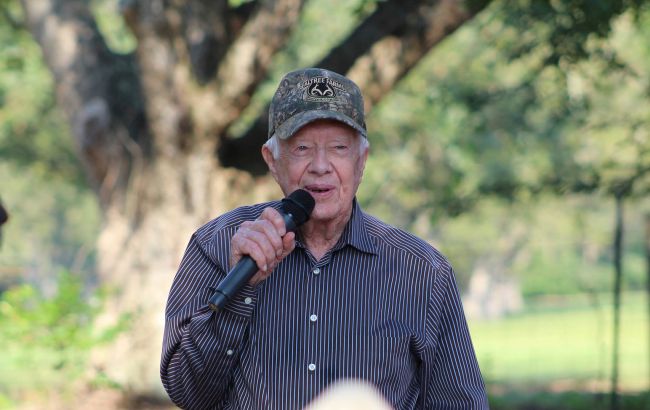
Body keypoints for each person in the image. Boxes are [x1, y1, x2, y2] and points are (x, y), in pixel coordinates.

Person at [161, 68, 488, 409]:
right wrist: (240, 291)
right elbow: (187, 393)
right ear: (272, 161)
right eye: (302, 148)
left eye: (338, 148)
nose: (320, 166)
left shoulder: (422, 271)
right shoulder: (216, 244)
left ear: (361, 161)